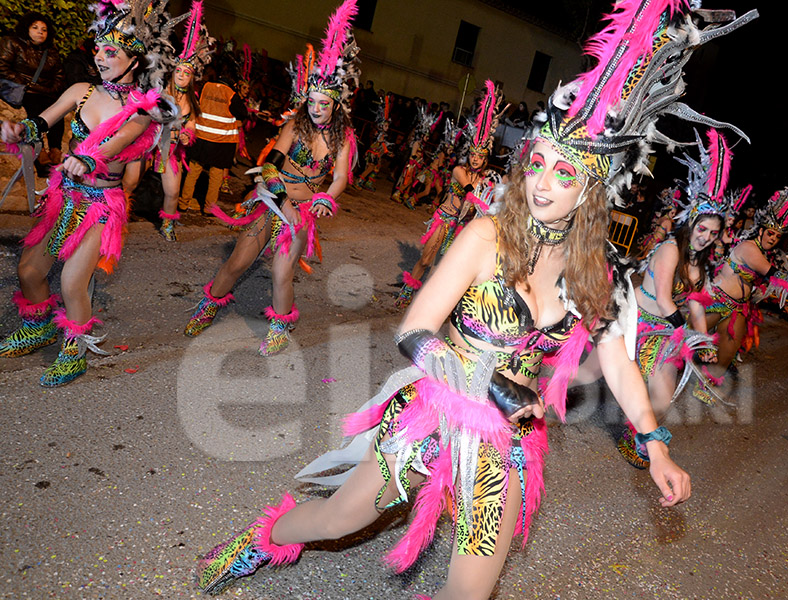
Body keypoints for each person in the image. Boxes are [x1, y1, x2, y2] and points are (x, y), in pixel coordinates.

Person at [195, 1, 758, 596]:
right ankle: (261, 540)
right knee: (339, 518)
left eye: (564, 174)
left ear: (593, 187)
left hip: (510, 442)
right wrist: (488, 383)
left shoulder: (599, 272)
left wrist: (656, 446)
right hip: (433, 411)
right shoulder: (487, 235)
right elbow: (415, 330)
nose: (541, 183)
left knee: (471, 590)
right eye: (538, 164)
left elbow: (618, 361)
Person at [0, 0, 179, 385]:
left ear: (135, 61)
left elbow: (115, 143)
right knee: (29, 270)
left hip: (101, 204)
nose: (99, 56)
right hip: (65, 197)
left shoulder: (142, 108)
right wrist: (19, 131)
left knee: (71, 283)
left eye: (110, 51)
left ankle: (75, 349)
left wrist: (88, 158)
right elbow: (42, 121)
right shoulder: (82, 91)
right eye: (97, 48)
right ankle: (38, 328)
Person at [182, 0, 359, 356]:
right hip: (273, 200)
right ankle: (210, 303)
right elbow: (270, 166)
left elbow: (339, 177)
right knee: (237, 263)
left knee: (282, 274)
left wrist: (326, 198)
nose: (317, 108)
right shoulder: (295, 125)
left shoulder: (344, 138)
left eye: (325, 103)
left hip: (303, 211)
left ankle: (279, 325)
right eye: (312, 101)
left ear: (336, 104)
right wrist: (281, 201)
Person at [618, 129, 730, 468]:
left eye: (713, 233)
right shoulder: (669, 249)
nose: (706, 238)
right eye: (702, 230)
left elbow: (695, 303)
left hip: (666, 326)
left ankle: (636, 430)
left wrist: (704, 340)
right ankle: (634, 428)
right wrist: (688, 336)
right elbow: (667, 301)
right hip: (637, 318)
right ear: (691, 223)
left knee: (665, 394)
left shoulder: (700, 262)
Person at [689, 165, 788, 403]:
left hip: (738, 308)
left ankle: (706, 384)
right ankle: (657, 363)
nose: (773, 239)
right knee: (688, 339)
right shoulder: (749, 249)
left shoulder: (766, 253)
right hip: (717, 300)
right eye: (770, 234)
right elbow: (772, 274)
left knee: (728, 351)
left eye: (777, 236)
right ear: (761, 231)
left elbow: (771, 277)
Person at [394, 80, 503, 308]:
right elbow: (468, 190)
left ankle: (434, 301)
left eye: (479, 156)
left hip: (463, 228)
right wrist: (480, 197)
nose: (475, 159)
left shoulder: (485, 179)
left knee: (449, 269)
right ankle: (408, 288)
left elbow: (491, 201)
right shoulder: (458, 171)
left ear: (485, 159)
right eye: (472, 154)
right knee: (425, 259)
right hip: (444, 219)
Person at [155, 1, 213, 241]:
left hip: (170, 151)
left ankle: (168, 225)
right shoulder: (158, 90)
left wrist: (188, 134)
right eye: (178, 71)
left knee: (173, 191)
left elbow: (191, 126)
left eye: (186, 73)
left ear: (191, 78)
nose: (181, 75)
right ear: (172, 72)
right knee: (128, 180)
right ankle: (116, 218)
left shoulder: (193, 100)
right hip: (148, 146)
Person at [0, 12, 65, 171]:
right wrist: (25, 83)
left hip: (45, 91)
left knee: (58, 111)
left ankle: (55, 150)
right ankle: (40, 150)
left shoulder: (51, 51)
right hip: (21, 90)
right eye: (35, 28)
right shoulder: (13, 43)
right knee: (35, 108)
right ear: (26, 29)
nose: (40, 32)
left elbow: (59, 74)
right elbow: (2, 67)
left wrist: (53, 88)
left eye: (44, 29)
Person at [178, 69, 249, 213]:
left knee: (193, 171)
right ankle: (209, 209)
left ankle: (183, 203)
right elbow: (243, 113)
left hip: (201, 136)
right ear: (233, 84)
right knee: (216, 175)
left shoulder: (206, 86)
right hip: (221, 141)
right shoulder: (231, 94)